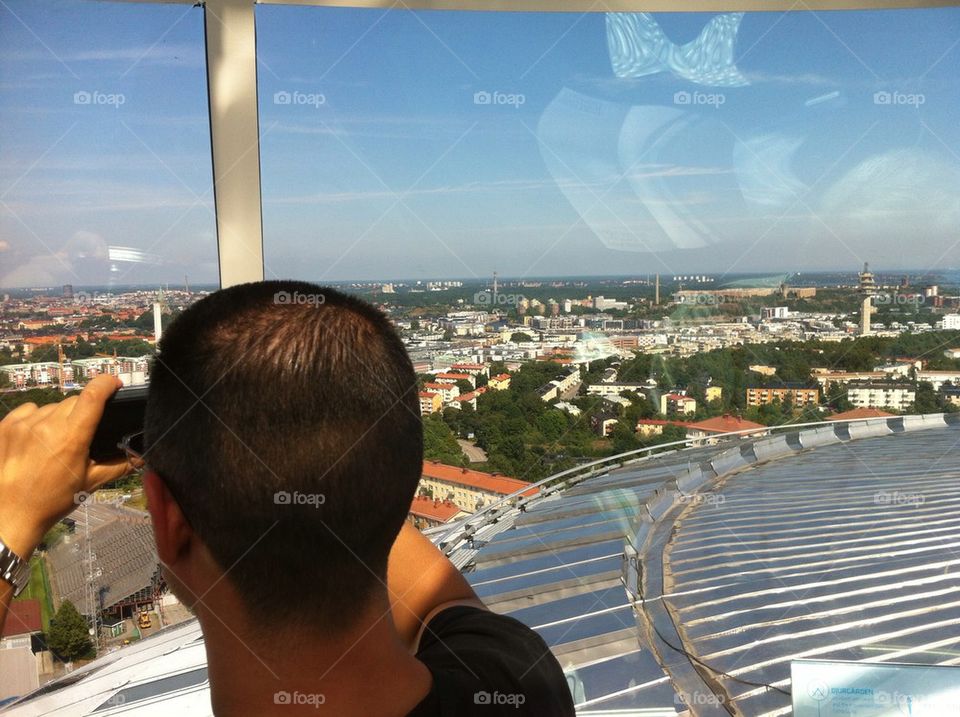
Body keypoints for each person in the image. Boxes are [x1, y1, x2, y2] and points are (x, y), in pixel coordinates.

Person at [0, 281, 575, 716]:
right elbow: (408, 555)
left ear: (167, 521)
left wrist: (12, 518)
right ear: (402, 491)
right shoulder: (520, 683)